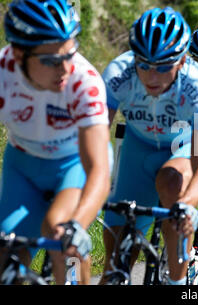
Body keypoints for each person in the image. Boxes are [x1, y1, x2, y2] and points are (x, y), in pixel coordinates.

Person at [100, 7, 198, 285]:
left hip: (180, 148)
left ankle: (177, 281)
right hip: (136, 149)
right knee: (115, 262)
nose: (152, 76)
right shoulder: (118, 73)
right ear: (134, 59)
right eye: (144, 65)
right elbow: (93, 138)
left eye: (164, 67)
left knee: (172, 187)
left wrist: (189, 205)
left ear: (182, 61)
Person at [0, 0, 112, 284]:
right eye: (50, 60)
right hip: (22, 166)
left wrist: (78, 226)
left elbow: (98, 170)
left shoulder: (84, 82)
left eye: (69, 54)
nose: (64, 68)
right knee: (5, 250)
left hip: (74, 166)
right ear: (18, 53)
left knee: (64, 240)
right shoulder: (3, 74)